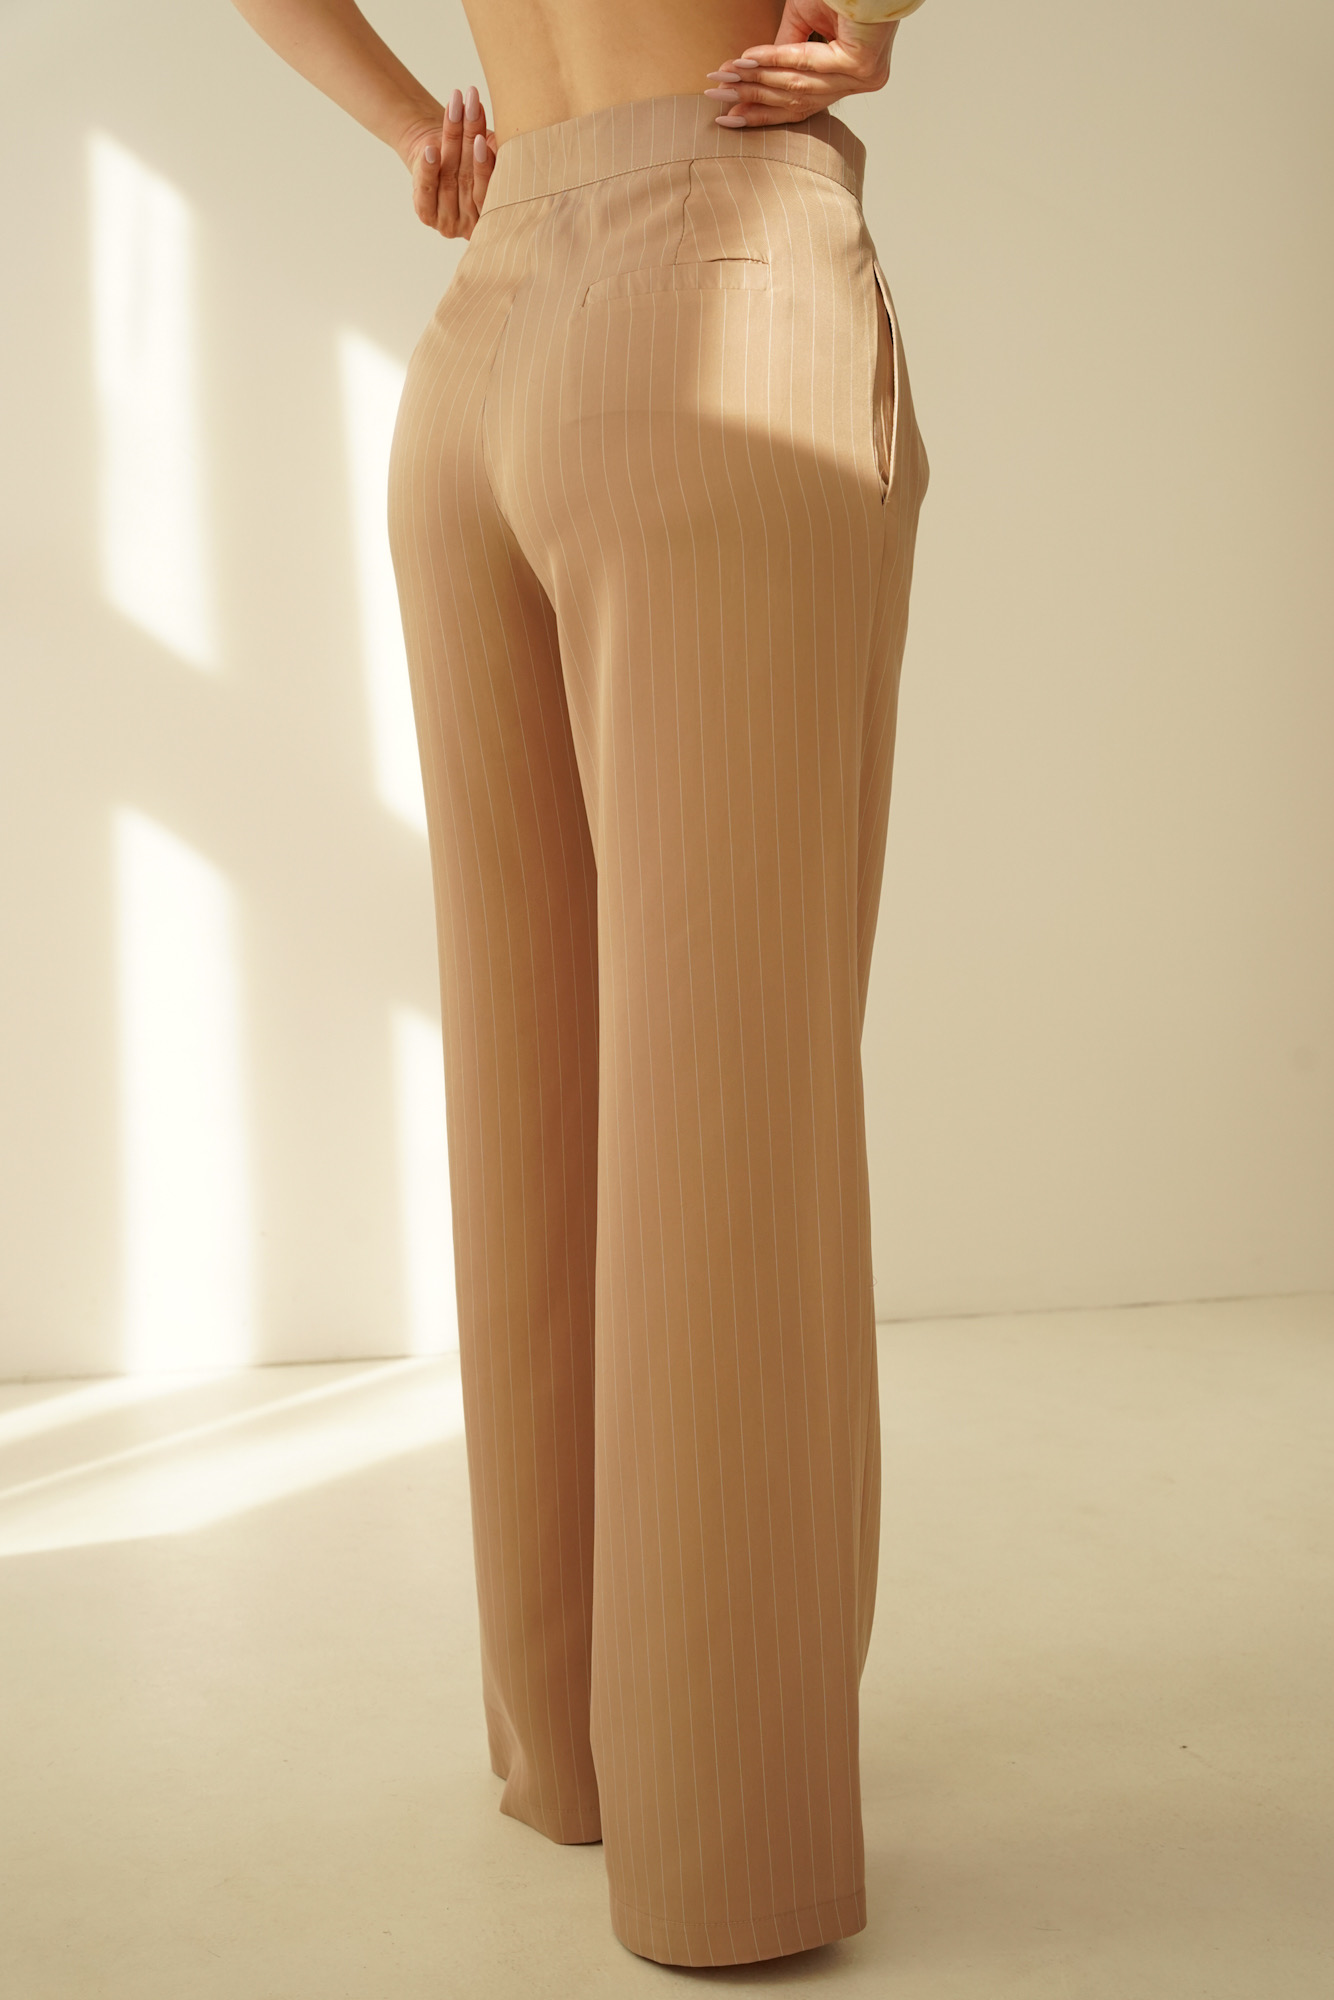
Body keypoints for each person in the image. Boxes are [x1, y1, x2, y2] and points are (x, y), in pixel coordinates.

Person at [228, 0, 930, 1968]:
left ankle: (581, 1749)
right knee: (728, 1104)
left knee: (533, 1084)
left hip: (483, 330)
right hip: (715, 276)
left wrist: (409, 126)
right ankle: (728, 1858)